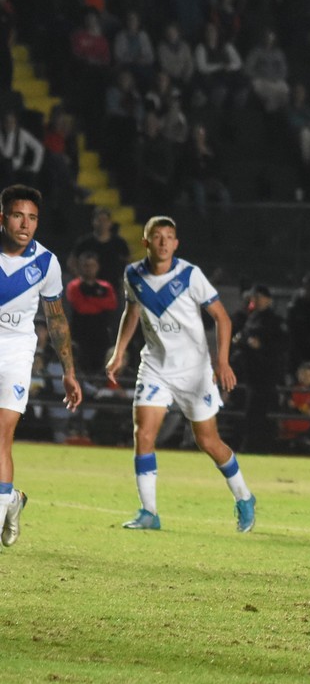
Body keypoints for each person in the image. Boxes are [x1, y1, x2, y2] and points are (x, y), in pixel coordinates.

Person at [105, 216, 257, 533]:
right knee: (143, 435)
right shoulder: (133, 274)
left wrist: (223, 362)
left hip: (194, 372)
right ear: (146, 242)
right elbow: (132, 311)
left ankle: (244, 497)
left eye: (169, 237)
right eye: (156, 236)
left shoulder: (190, 275)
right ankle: (149, 512)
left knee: (208, 441)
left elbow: (223, 319)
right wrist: (119, 351)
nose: (163, 242)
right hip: (155, 367)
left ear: (176, 243)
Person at [0, 184, 83, 546]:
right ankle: (13, 499)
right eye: (19, 215)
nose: (26, 224)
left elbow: (57, 319)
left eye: (32, 218)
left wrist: (69, 371)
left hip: (18, 353)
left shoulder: (46, 263)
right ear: (3, 217)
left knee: (1, 436)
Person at [233, 285, 288, 453]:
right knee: (250, 412)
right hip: (250, 374)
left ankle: (261, 446)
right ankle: (251, 445)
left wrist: (261, 346)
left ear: (268, 300)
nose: (255, 300)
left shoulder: (275, 321)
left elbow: (282, 346)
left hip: (266, 374)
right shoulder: (251, 318)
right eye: (254, 297)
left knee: (262, 413)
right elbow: (240, 340)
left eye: (259, 297)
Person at [62, 248, 119, 372]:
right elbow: (81, 307)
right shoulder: (74, 286)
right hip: (80, 333)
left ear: (98, 266)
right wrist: (99, 303)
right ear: (80, 267)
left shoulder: (105, 286)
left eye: (92, 265)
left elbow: (112, 304)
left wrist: (89, 300)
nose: (89, 268)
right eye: (86, 265)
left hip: (101, 334)